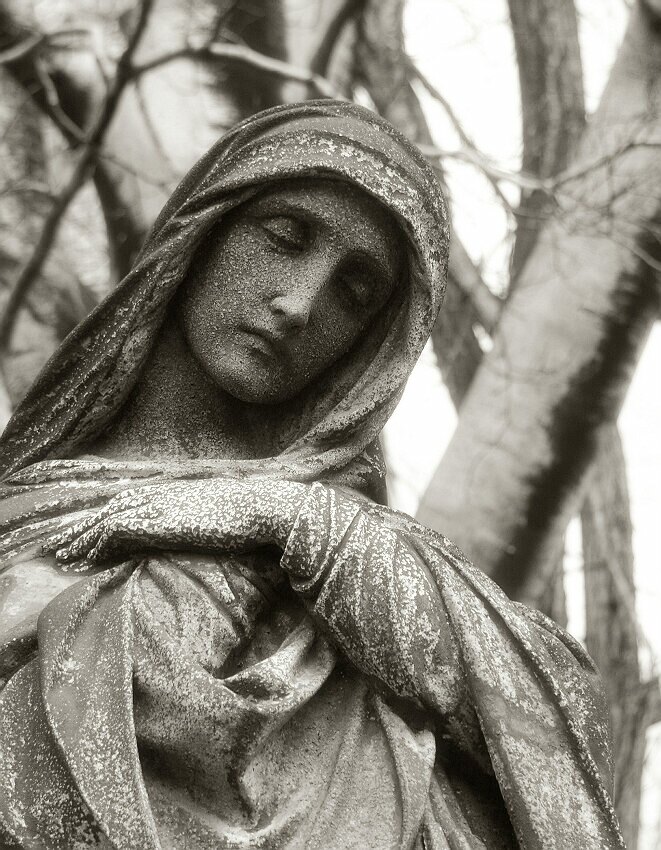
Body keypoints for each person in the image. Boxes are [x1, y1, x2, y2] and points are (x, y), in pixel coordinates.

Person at [0, 100, 623, 849]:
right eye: (284, 236)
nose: (299, 304)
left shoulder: (362, 568)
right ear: (206, 230)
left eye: (354, 293)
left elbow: (562, 726)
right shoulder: (27, 508)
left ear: (371, 348)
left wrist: (300, 520)